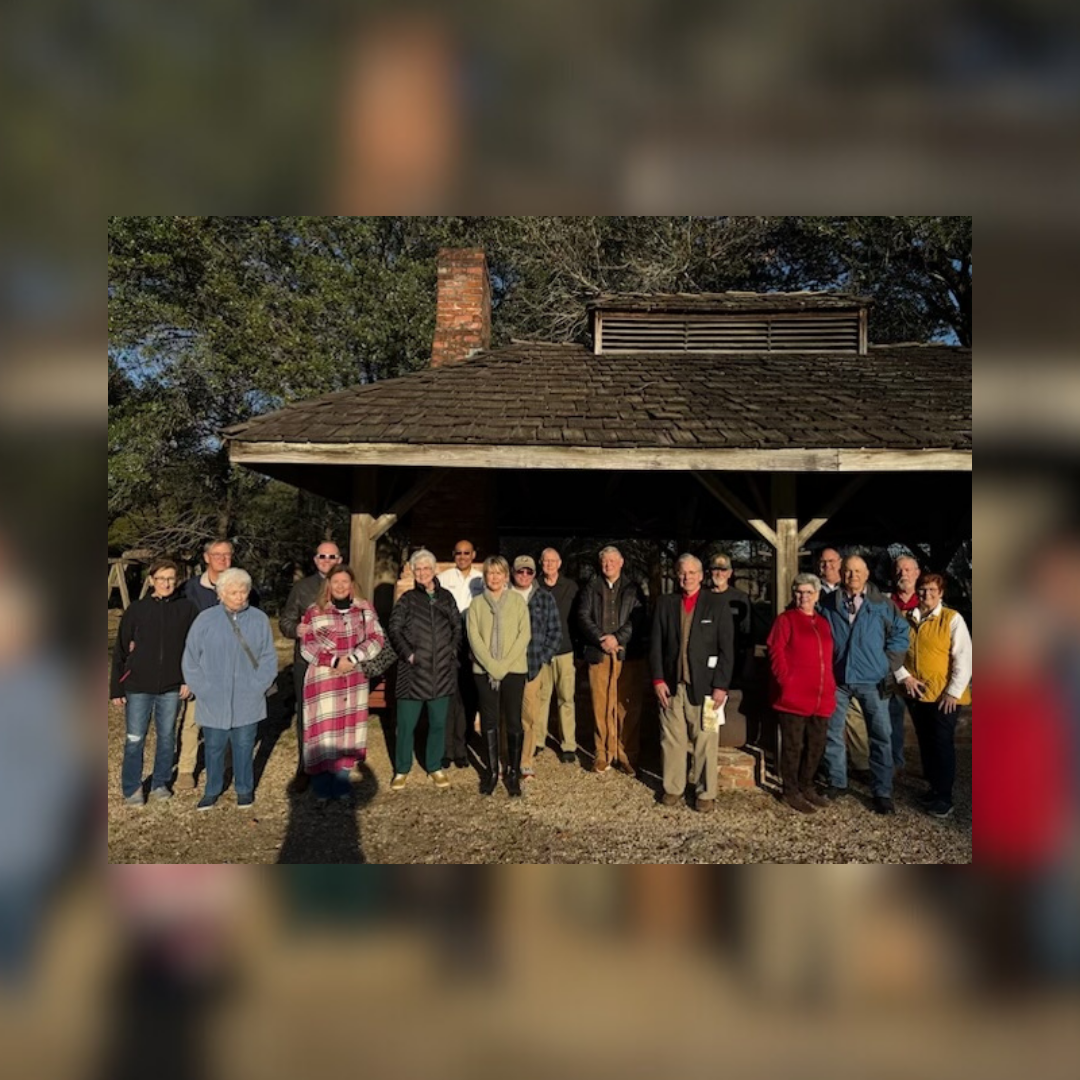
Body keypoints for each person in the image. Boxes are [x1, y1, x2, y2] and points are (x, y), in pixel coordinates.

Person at [819, 555, 911, 814]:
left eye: (858, 571)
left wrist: (889, 663)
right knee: (833, 733)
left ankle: (882, 791)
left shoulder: (882, 604)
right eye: (848, 571)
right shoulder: (828, 603)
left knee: (881, 736)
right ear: (842, 574)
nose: (853, 576)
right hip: (839, 680)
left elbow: (901, 633)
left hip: (873, 680)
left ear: (867, 574)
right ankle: (837, 781)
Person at [182, 569, 277, 811]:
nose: (238, 596)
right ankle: (212, 790)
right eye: (233, 592)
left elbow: (268, 657)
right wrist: (203, 689)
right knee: (214, 747)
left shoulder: (259, 619)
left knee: (244, 746)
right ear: (221, 594)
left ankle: (244, 789)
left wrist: (258, 686)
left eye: (243, 591)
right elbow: (190, 658)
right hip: (213, 698)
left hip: (248, 697)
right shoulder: (205, 619)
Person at [650, 554, 733, 813]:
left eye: (692, 572)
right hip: (671, 685)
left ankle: (705, 792)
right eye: (682, 572)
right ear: (677, 575)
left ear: (701, 575)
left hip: (707, 687)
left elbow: (727, 649)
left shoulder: (717, 604)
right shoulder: (665, 604)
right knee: (671, 740)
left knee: (706, 740)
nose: (687, 577)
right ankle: (673, 787)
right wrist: (658, 679)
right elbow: (656, 644)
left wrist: (721, 685)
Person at [110, 559, 197, 806]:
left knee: (166, 737)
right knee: (135, 738)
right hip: (138, 686)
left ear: (177, 581)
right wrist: (116, 688)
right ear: (151, 580)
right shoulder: (137, 610)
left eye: (171, 579)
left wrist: (188, 679)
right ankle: (132, 787)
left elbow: (193, 649)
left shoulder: (187, 609)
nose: (166, 583)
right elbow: (120, 650)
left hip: (172, 686)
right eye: (161, 579)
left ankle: (160, 782)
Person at [298, 564, 386, 806]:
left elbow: (376, 637)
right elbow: (307, 645)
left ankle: (341, 785)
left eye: (345, 581)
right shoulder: (314, 611)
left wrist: (354, 658)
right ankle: (322, 788)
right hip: (324, 679)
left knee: (348, 733)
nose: (340, 586)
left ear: (352, 584)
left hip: (353, 681)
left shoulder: (364, 609)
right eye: (335, 581)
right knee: (322, 733)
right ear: (328, 584)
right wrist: (334, 660)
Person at [175, 538, 259, 790]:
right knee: (193, 719)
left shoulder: (244, 585)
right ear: (206, 558)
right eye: (217, 554)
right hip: (201, 665)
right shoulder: (189, 589)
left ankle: (226, 765)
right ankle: (186, 769)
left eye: (228, 554)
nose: (223, 559)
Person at [897, 572, 972, 818]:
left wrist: (953, 692)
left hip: (943, 697)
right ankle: (933, 788)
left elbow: (964, 657)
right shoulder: (906, 619)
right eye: (922, 589)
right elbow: (894, 651)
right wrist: (904, 676)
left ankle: (944, 797)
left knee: (941, 743)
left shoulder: (952, 619)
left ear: (940, 593)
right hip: (917, 694)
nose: (926, 594)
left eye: (932, 590)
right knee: (926, 742)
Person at [387, 549, 461, 791]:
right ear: (413, 572)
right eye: (417, 569)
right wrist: (409, 654)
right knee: (406, 726)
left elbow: (457, 627)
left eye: (426, 568)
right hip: (412, 674)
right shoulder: (407, 600)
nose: (422, 573)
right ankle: (402, 768)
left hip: (441, 672)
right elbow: (394, 629)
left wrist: (451, 652)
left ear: (434, 570)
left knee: (438, 724)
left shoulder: (446, 598)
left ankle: (434, 765)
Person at [766, 573, 837, 813]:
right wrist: (786, 682)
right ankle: (790, 789)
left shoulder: (823, 623)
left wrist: (829, 685)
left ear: (817, 595)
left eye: (808, 592)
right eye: (799, 592)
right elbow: (776, 651)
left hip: (820, 696)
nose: (803, 596)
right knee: (793, 746)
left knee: (816, 745)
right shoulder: (786, 620)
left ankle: (807, 785)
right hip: (794, 697)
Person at [279, 541, 343, 794]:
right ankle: (305, 767)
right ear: (315, 560)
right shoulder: (302, 588)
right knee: (308, 716)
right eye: (322, 556)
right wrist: (296, 629)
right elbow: (285, 620)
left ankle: (333, 766)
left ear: (339, 559)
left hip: (338, 664)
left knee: (335, 715)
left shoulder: (347, 586)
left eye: (332, 556)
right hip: (307, 663)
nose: (327, 560)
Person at [578, 545, 647, 775]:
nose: (608, 565)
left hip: (626, 655)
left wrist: (617, 638)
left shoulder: (633, 589)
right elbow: (583, 616)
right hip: (599, 653)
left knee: (626, 707)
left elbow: (638, 618)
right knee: (600, 705)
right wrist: (601, 638)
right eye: (605, 561)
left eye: (612, 561)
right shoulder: (591, 587)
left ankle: (627, 755)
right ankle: (602, 753)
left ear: (621, 563)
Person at [467, 555, 530, 797]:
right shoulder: (476, 605)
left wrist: (503, 666)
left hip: (513, 669)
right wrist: (492, 665)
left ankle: (513, 773)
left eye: (498, 573)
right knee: (489, 721)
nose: (494, 577)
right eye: (490, 573)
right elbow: (474, 637)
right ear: (485, 577)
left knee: (513, 720)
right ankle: (493, 772)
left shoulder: (517, 601)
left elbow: (524, 635)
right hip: (484, 671)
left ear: (506, 576)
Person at [512, 555, 562, 780]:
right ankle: (506, 758)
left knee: (529, 717)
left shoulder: (544, 597)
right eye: (520, 571)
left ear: (534, 574)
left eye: (528, 572)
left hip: (532, 666)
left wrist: (542, 657)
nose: (524, 575)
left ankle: (525, 761)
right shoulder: (504, 595)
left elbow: (555, 632)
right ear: (513, 573)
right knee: (506, 716)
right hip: (507, 667)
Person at [437, 539, 484, 769]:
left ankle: (462, 746)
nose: (463, 556)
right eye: (459, 553)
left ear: (474, 554)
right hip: (448, 643)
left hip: (473, 643)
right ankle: (446, 749)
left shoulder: (481, 580)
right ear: (453, 554)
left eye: (467, 553)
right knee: (448, 696)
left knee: (468, 696)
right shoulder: (443, 579)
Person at [536, 547, 579, 764]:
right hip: (542, 651)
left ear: (559, 563)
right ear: (541, 563)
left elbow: (578, 618)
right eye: (546, 561)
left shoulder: (571, 587)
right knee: (541, 697)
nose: (549, 564)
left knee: (566, 698)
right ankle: (538, 740)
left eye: (553, 561)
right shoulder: (535, 586)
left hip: (565, 650)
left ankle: (568, 744)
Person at [887, 553, 921, 774]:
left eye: (908, 569)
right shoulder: (885, 603)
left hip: (922, 674)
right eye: (899, 570)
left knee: (926, 724)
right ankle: (895, 763)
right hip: (894, 672)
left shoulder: (928, 601)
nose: (903, 574)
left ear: (917, 573)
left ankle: (931, 767)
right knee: (893, 721)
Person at [707, 551, 752, 691]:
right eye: (715, 569)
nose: (719, 573)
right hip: (706, 658)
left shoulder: (740, 598)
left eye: (723, 570)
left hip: (733, 658)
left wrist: (748, 664)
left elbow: (748, 632)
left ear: (730, 573)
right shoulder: (703, 597)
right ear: (710, 571)